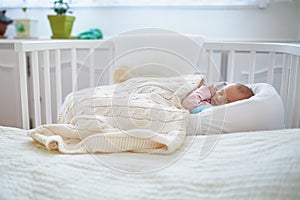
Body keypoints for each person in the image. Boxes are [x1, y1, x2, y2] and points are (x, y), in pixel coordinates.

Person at [182, 83, 254, 114]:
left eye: (226, 101)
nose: (219, 98)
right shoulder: (208, 98)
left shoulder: (208, 109)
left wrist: (205, 91)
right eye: (220, 93)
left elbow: (187, 104)